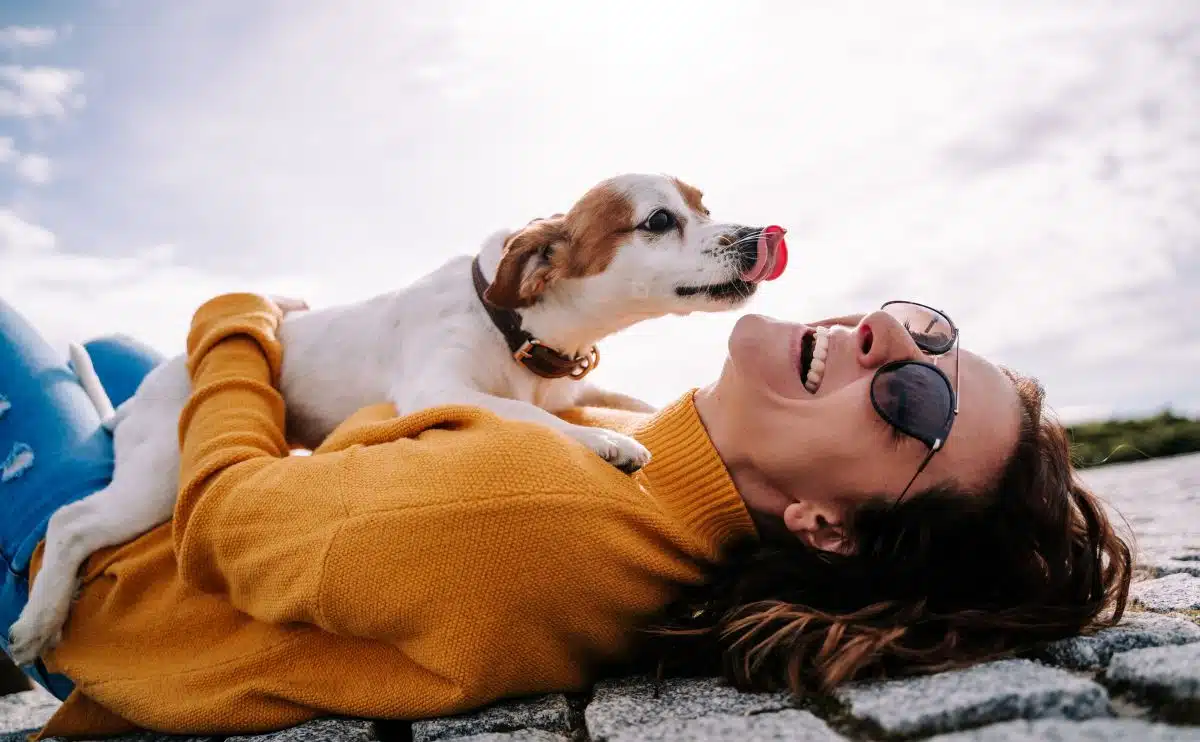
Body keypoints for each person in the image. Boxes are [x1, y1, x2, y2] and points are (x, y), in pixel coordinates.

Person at [0, 292, 1131, 740]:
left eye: (912, 400)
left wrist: (242, 320)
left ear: (826, 526)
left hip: (107, 586)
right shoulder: (653, 448)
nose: (889, 342)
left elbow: (230, 523)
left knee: (30, 340)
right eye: (925, 332)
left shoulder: (531, 512)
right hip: (168, 518)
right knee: (112, 357)